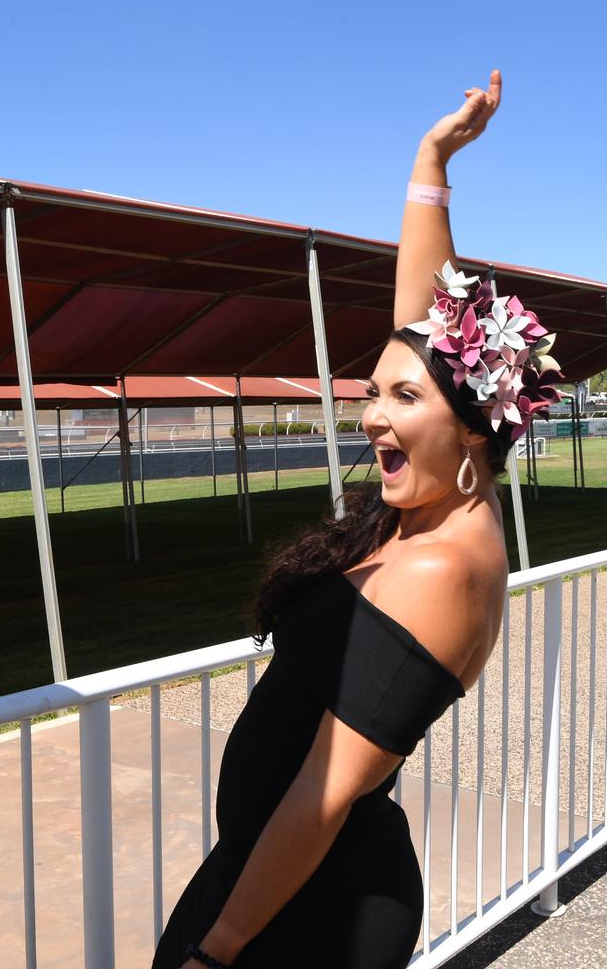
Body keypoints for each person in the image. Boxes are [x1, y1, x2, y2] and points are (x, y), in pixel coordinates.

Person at [153, 71, 561, 969]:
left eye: (401, 397)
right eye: (371, 392)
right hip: (279, 871)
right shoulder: (440, 500)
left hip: (319, 908)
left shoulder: (441, 567)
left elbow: (323, 795)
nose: (373, 414)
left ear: (472, 423)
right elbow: (426, 325)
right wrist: (432, 162)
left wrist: (215, 950)